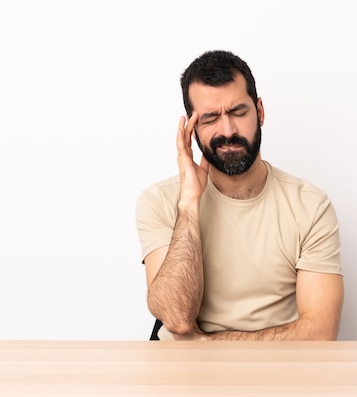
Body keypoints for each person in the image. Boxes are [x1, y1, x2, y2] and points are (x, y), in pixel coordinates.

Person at [135, 50, 344, 341]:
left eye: (238, 112)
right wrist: (190, 204)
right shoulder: (159, 201)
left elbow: (321, 333)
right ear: (191, 129)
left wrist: (208, 345)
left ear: (259, 111)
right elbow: (176, 319)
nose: (228, 130)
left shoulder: (310, 205)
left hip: (280, 372)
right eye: (210, 119)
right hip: (183, 378)